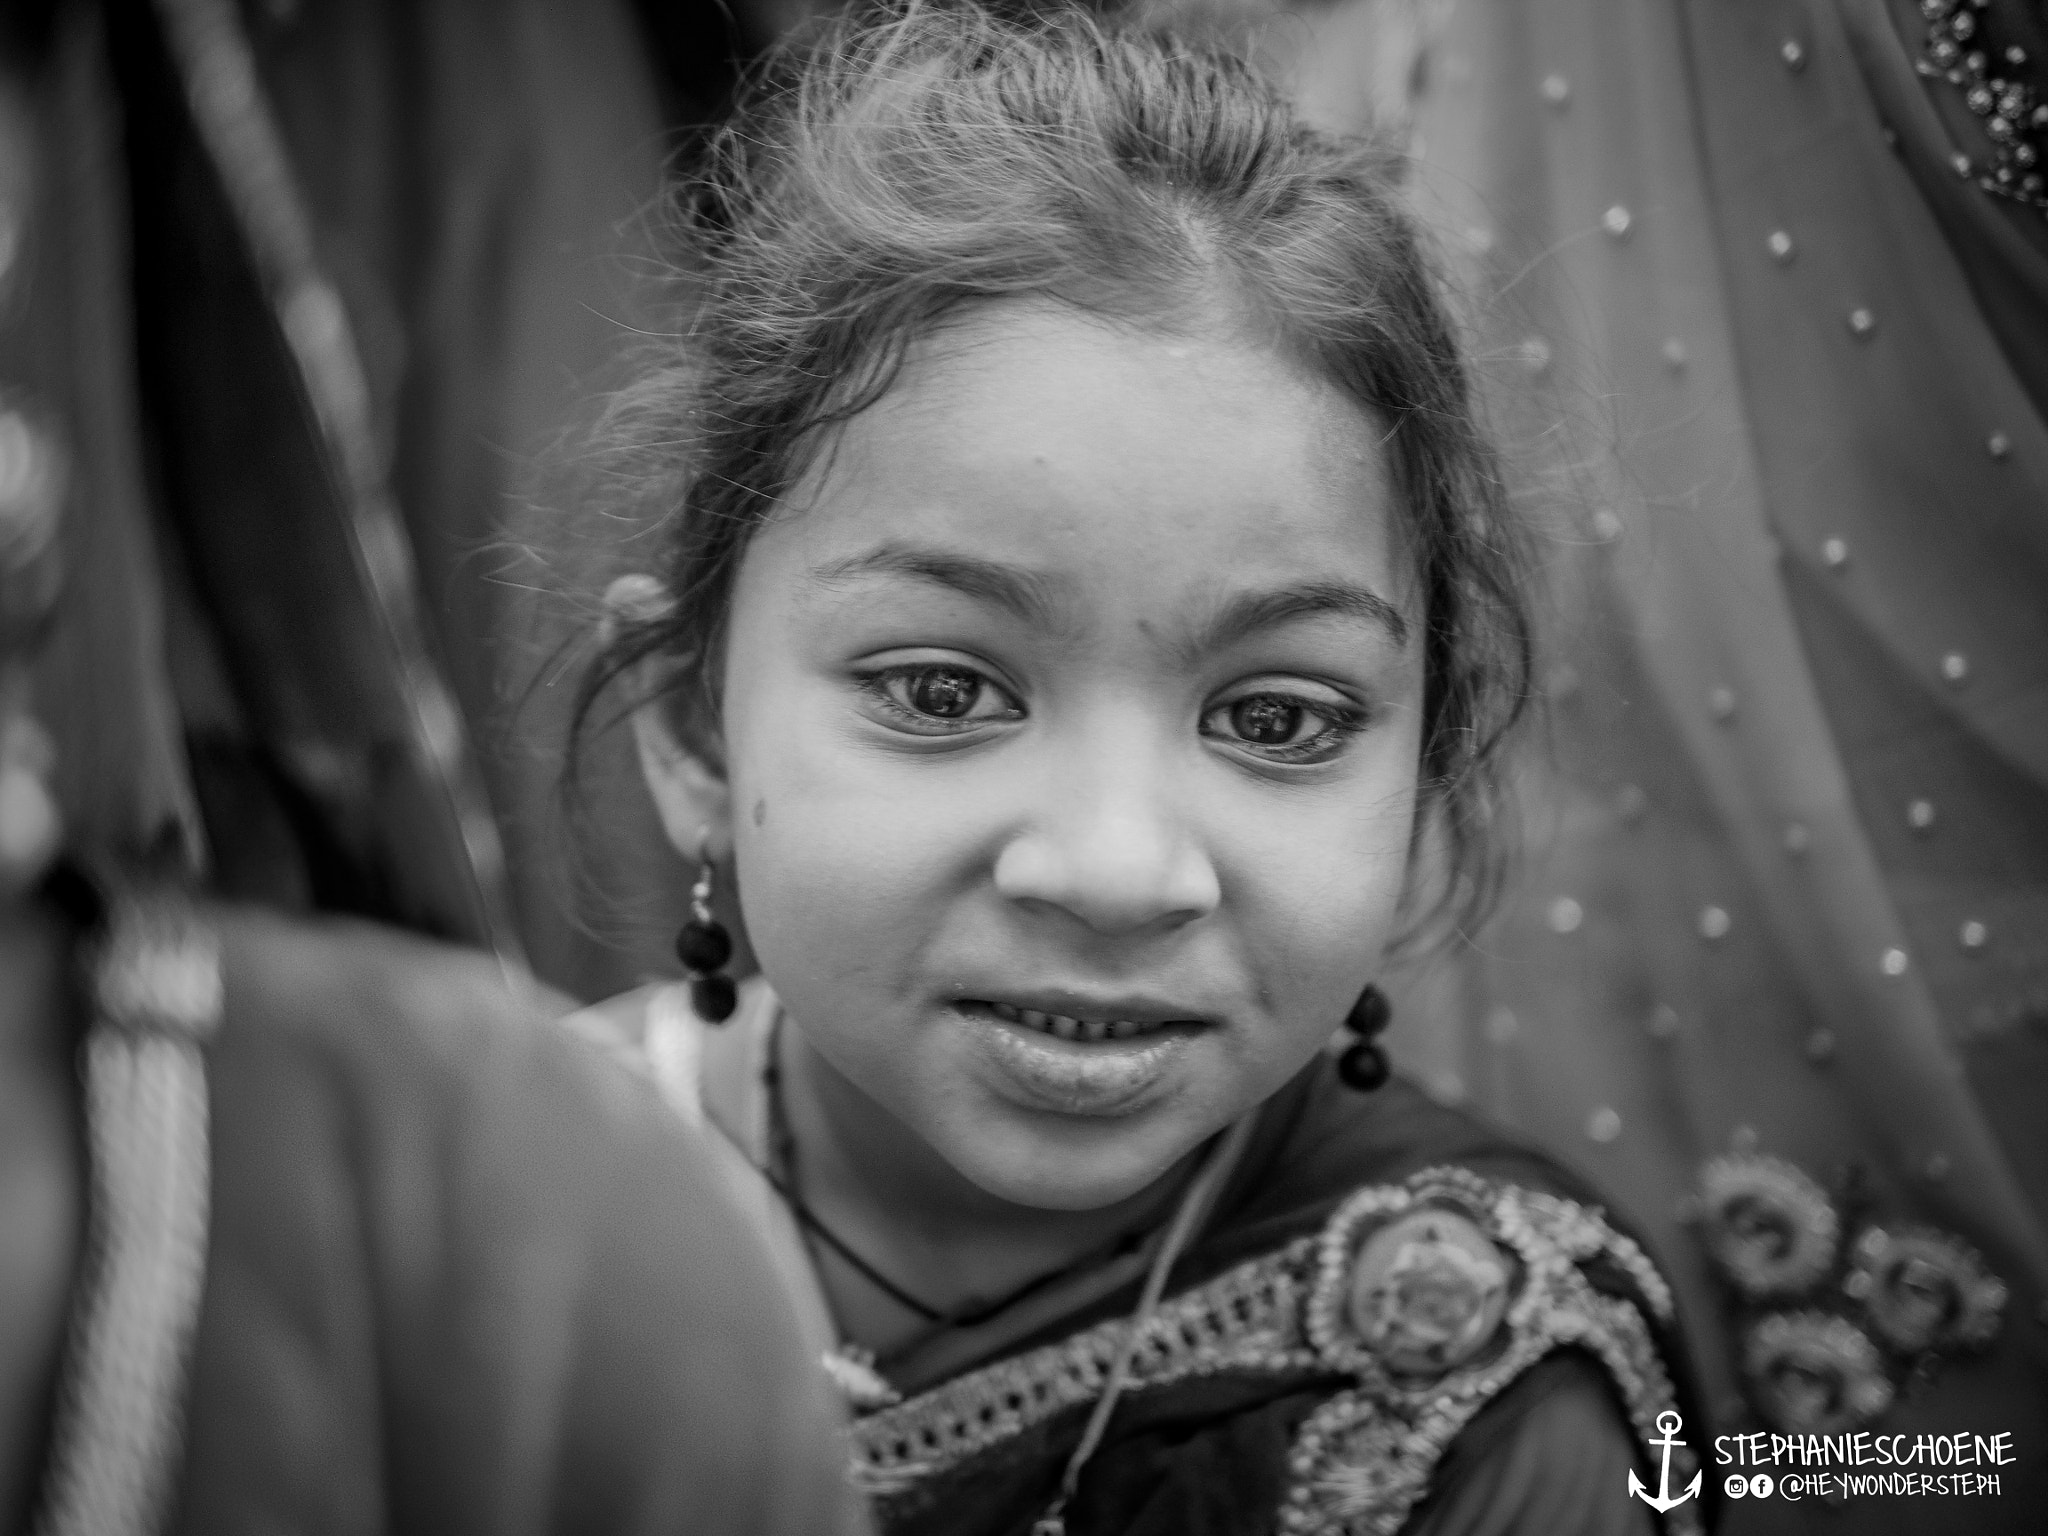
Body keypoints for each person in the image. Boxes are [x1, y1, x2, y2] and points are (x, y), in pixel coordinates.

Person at [564, 5, 1710, 1532]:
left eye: (1278, 720)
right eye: (943, 687)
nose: (1114, 871)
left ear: (1425, 781)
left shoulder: (1502, 1395)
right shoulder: (470, 1215)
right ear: (696, 729)